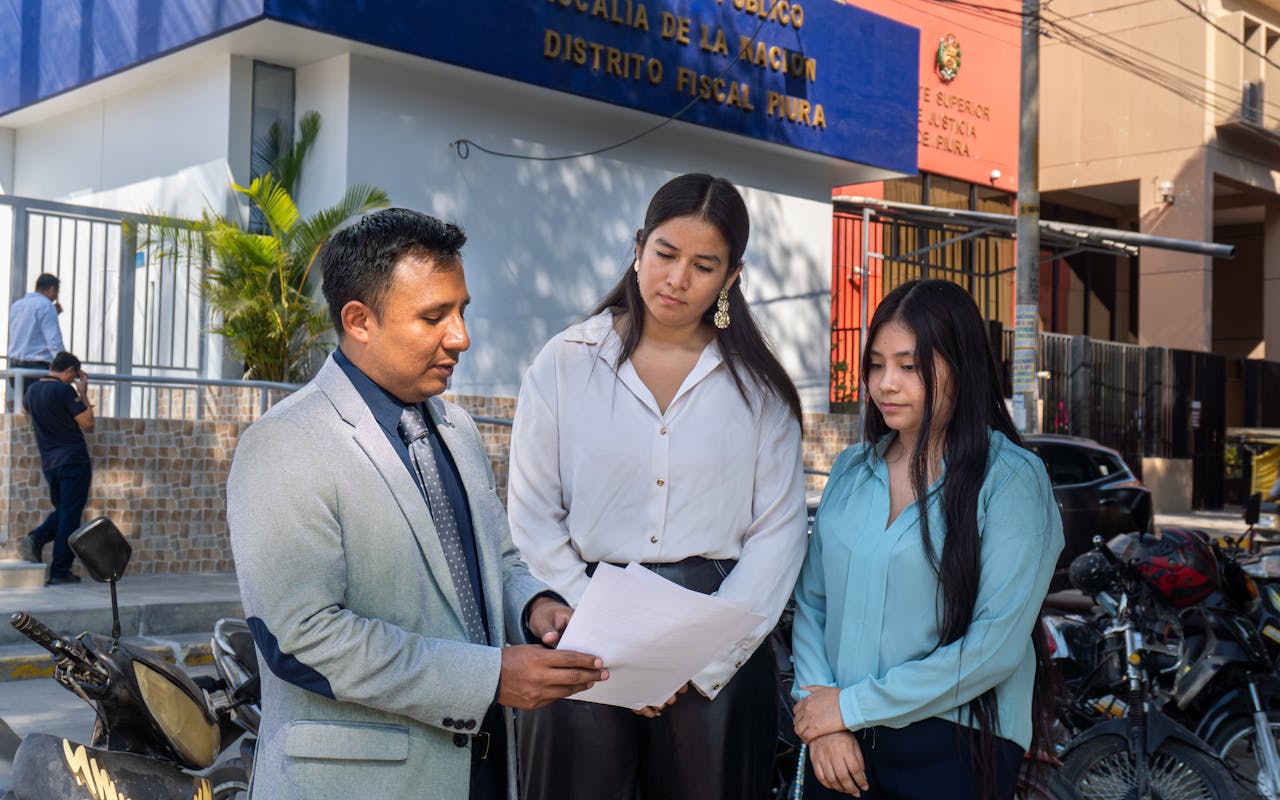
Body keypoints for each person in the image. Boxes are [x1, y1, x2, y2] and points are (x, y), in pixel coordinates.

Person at [226, 208, 608, 800]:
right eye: (434, 316)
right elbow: (301, 637)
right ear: (358, 320)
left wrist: (536, 608)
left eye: (461, 311)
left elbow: (498, 562)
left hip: (481, 772)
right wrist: (492, 677)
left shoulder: (457, 429)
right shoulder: (286, 442)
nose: (461, 336)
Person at [509, 173, 808, 799]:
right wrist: (601, 636)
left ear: (731, 278)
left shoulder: (761, 391)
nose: (676, 279)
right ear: (638, 247)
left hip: (715, 643)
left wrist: (699, 658)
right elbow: (533, 518)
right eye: (666, 254)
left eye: (703, 266)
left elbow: (778, 536)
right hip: (581, 633)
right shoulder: (566, 363)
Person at [790, 279, 1064, 799]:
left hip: (954, 746)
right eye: (876, 364)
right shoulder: (851, 469)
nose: (885, 383)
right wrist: (821, 714)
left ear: (961, 366)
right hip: (837, 743)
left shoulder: (1011, 480)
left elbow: (994, 646)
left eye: (909, 366)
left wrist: (848, 708)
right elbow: (812, 603)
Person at [18, 351, 94, 585]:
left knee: (64, 511)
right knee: (70, 516)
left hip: (50, 464)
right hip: (73, 461)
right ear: (70, 371)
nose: (74, 381)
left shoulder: (31, 391)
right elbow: (88, 424)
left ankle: (37, 539)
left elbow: (25, 411)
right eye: (74, 377)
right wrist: (83, 394)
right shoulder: (64, 390)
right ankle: (59, 571)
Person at [7, 273, 64, 411]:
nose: (56, 297)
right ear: (51, 289)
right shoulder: (46, 306)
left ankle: (22, 406)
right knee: (49, 409)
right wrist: (64, 363)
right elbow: (54, 341)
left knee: (31, 411)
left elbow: (28, 329)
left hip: (15, 368)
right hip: (37, 370)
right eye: (57, 292)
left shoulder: (17, 305)